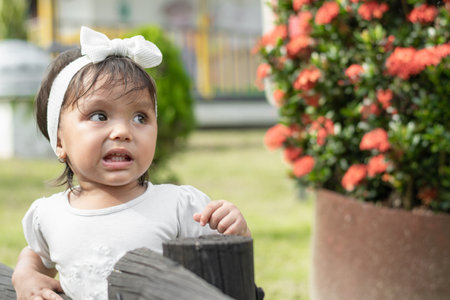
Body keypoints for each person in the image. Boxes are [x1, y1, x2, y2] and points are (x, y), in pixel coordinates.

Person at [12, 26, 251, 300]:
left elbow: (226, 262)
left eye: (140, 118)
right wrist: (25, 273)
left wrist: (237, 229)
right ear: (60, 142)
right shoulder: (50, 215)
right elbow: (37, 254)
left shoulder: (179, 207)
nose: (123, 131)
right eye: (100, 116)